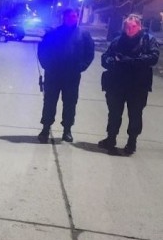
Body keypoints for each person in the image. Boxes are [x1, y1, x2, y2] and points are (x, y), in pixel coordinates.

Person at [98, 14, 160, 154]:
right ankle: (111, 138)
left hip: (138, 86)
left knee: (135, 115)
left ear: (139, 26)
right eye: (127, 27)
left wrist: (131, 61)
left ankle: (132, 142)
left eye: (133, 27)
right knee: (114, 113)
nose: (129, 29)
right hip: (117, 84)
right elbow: (106, 56)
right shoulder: (117, 40)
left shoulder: (148, 40)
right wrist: (110, 62)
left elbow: (153, 57)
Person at [37, 8, 95, 143]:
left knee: (70, 103)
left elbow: (89, 53)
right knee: (49, 102)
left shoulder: (84, 34)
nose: (72, 18)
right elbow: (42, 50)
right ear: (63, 18)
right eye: (69, 16)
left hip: (72, 76)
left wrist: (81, 67)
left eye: (74, 16)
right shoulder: (53, 33)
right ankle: (46, 128)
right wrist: (47, 66)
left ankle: (67, 130)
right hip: (53, 74)